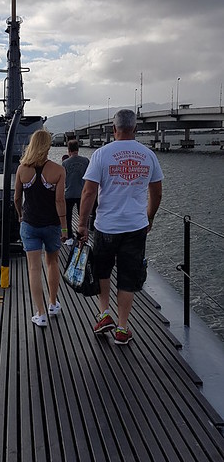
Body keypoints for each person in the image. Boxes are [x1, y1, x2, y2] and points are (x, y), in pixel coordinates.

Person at [77, 109, 163, 345]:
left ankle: (104, 315)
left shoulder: (101, 154)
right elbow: (156, 192)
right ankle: (122, 328)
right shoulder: (148, 156)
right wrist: (150, 217)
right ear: (135, 129)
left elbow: (88, 192)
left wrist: (82, 224)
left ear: (113, 129)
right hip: (136, 226)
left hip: (106, 225)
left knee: (103, 270)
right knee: (128, 276)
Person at [14, 129, 67, 327]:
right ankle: (53, 303)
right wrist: (64, 228)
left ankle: (40, 313)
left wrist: (20, 214)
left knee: (33, 268)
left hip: (29, 224)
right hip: (52, 224)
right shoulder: (58, 170)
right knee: (52, 262)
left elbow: (17, 198)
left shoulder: (22, 169)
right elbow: (60, 201)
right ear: (48, 146)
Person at [63, 139, 90, 245]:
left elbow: (62, 179)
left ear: (69, 150)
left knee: (68, 216)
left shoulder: (65, 163)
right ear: (78, 149)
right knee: (83, 216)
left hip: (68, 193)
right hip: (82, 193)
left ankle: (69, 237)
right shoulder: (86, 161)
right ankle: (83, 238)